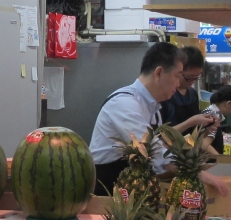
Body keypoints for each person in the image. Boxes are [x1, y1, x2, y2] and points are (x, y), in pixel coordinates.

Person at [89, 42, 222, 194]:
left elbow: (160, 153)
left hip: (135, 188)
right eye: (177, 76)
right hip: (107, 190)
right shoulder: (124, 104)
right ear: (159, 73)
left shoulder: (154, 107)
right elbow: (153, 150)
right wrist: (198, 173)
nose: (179, 83)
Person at [160, 46, 204, 127]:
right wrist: (191, 122)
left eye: (196, 77)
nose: (193, 81)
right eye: (190, 77)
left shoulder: (193, 94)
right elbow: (161, 132)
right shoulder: (165, 96)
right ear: (179, 71)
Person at [202, 86, 231, 153]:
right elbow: (204, 144)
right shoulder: (213, 116)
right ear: (228, 103)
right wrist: (220, 158)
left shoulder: (211, 111)